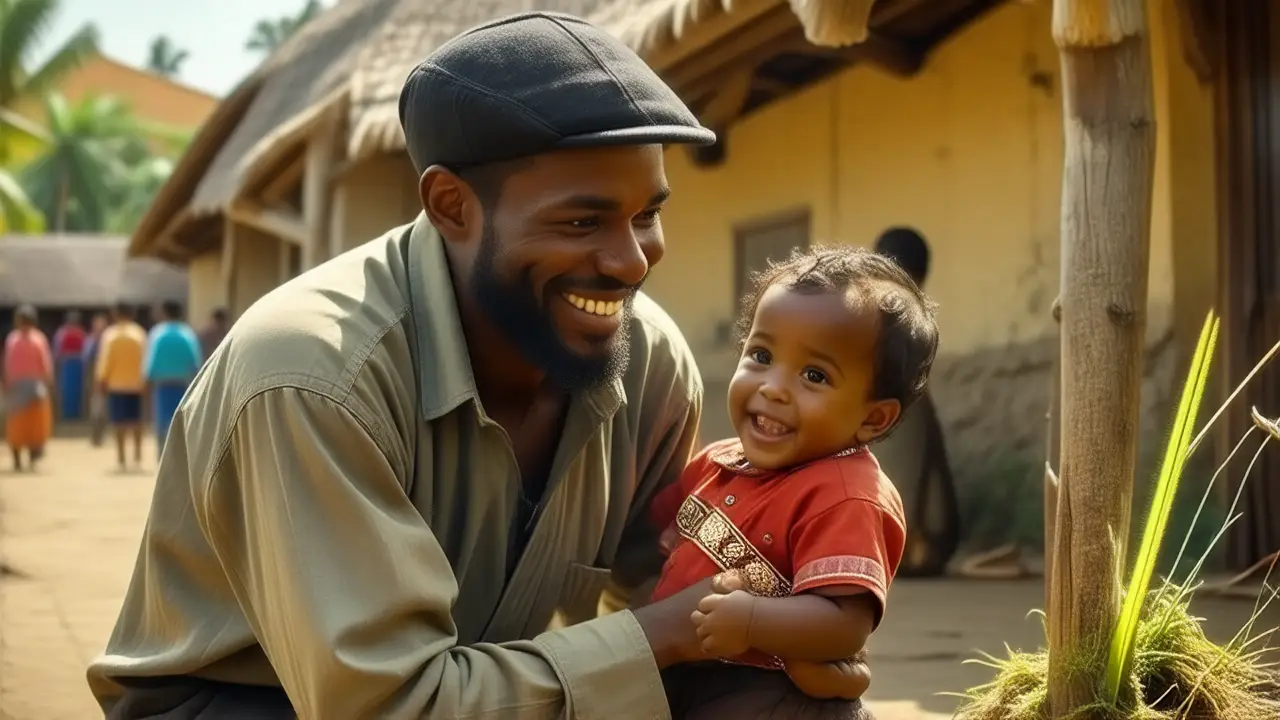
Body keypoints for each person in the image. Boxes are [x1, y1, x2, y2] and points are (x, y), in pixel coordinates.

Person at [86, 12, 869, 719]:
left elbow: (685, 589)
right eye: (582, 220)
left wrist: (800, 655)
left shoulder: (647, 361)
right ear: (451, 206)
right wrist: (658, 637)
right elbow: (388, 705)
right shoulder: (315, 378)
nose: (631, 261)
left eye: (649, 214)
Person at [651, 246, 937, 719]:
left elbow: (846, 624)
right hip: (686, 673)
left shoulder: (846, 493)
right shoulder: (718, 461)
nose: (774, 387)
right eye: (761, 355)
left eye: (813, 375)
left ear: (873, 417)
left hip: (771, 694)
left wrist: (752, 621)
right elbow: (645, 534)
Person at [871, 227, 962, 577]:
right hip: (922, 541)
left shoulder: (888, 327)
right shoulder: (903, 328)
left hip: (912, 543)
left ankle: (903, 545)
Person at [143, 301, 202, 458]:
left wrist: (147, 380)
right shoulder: (187, 334)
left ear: (164, 313)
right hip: (183, 383)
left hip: (162, 384)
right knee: (182, 420)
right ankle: (181, 456)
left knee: (162, 422)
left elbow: (151, 361)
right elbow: (195, 361)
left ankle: (162, 457)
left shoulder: (157, 334)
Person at [95, 303, 147, 469]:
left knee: (118, 422)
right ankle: (137, 456)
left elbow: (105, 361)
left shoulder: (110, 335)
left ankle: (122, 457)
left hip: (116, 385)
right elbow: (146, 359)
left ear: (116, 314)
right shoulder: (139, 334)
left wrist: (101, 380)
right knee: (136, 421)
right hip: (136, 384)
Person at [3, 304, 54, 471]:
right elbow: (45, 363)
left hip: (17, 384)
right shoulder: (38, 339)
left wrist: (6, 382)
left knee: (18, 422)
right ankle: (32, 454)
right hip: (34, 384)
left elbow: (7, 363)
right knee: (34, 422)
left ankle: (18, 458)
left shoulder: (13, 339)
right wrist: (48, 381)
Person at [53, 310, 88, 420]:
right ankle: (69, 414)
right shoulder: (66, 332)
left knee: (74, 390)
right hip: (70, 363)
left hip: (73, 363)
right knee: (69, 390)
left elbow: (57, 349)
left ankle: (74, 414)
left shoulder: (72, 332)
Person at [83, 312, 111, 446]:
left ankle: (101, 435)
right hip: (95, 380)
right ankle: (95, 437)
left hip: (108, 381)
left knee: (105, 410)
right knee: (96, 409)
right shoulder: (91, 342)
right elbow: (87, 361)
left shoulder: (109, 341)